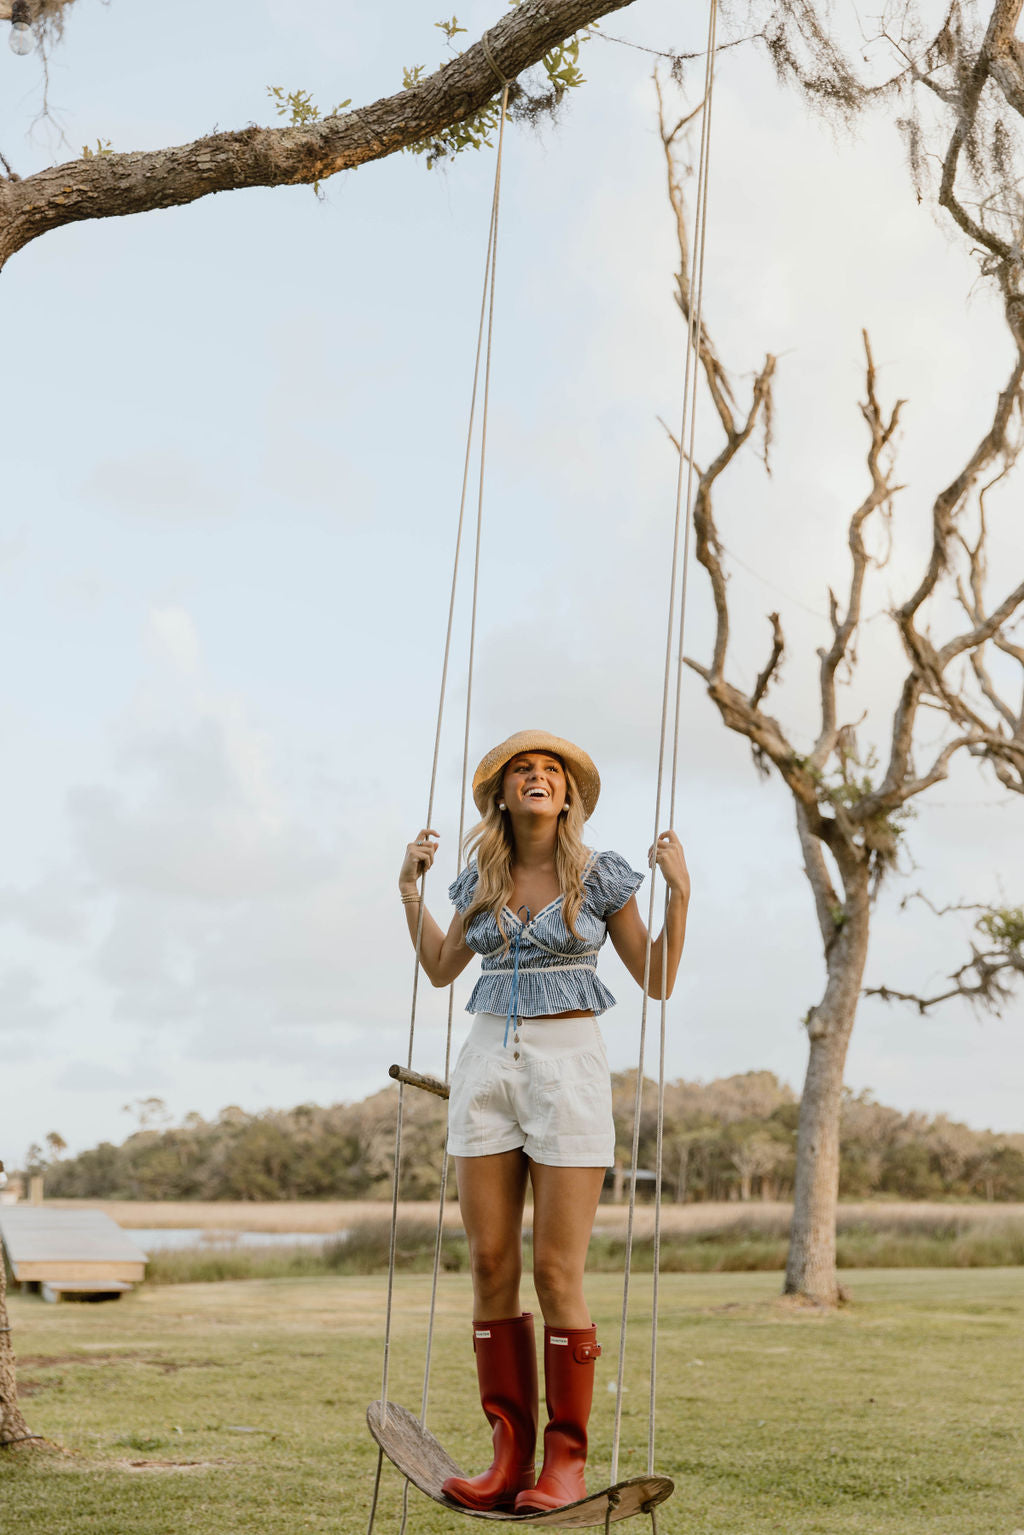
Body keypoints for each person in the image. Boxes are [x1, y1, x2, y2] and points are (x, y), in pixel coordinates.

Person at [398, 729, 690, 1514]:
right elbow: (439, 969)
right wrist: (409, 893)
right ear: (501, 794)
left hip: (569, 1066)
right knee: (491, 1264)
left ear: (568, 796)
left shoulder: (602, 876)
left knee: (557, 1272)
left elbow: (655, 978)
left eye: (551, 771)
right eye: (522, 769)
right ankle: (507, 1458)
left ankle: (565, 1460)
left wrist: (680, 894)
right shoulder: (480, 879)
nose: (537, 777)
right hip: (486, 1062)